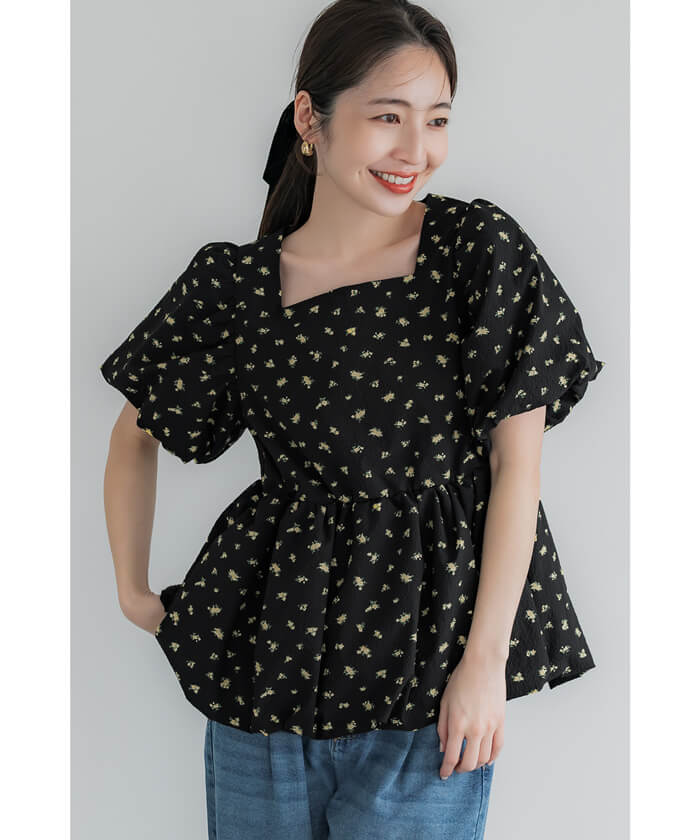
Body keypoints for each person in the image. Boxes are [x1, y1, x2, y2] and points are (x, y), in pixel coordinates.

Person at [99, 1, 605, 838]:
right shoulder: (236, 286)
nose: (417, 150)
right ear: (311, 118)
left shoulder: (476, 253)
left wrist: (484, 665)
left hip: (429, 680)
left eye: (437, 120)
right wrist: (133, 594)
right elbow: (133, 435)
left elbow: (517, 468)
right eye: (387, 117)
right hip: (266, 678)